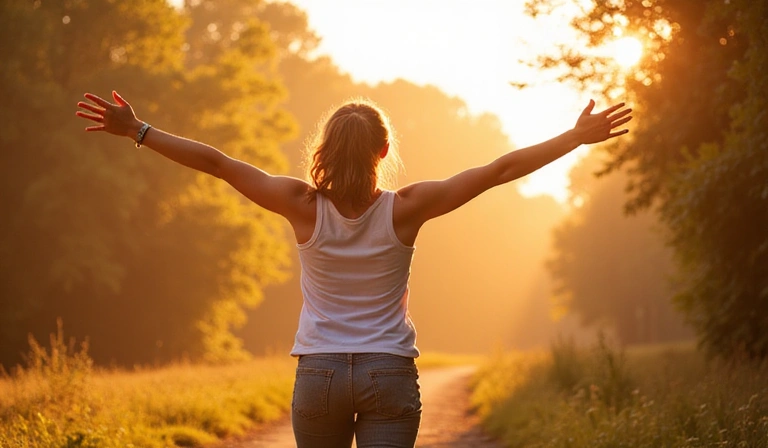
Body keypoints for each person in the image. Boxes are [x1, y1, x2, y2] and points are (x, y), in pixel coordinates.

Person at [76, 91, 631, 448]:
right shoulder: (407, 208)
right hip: (388, 371)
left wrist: (139, 130)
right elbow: (499, 169)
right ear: (383, 150)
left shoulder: (300, 204)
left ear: (325, 149)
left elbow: (218, 163)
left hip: (318, 374)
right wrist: (575, 137)